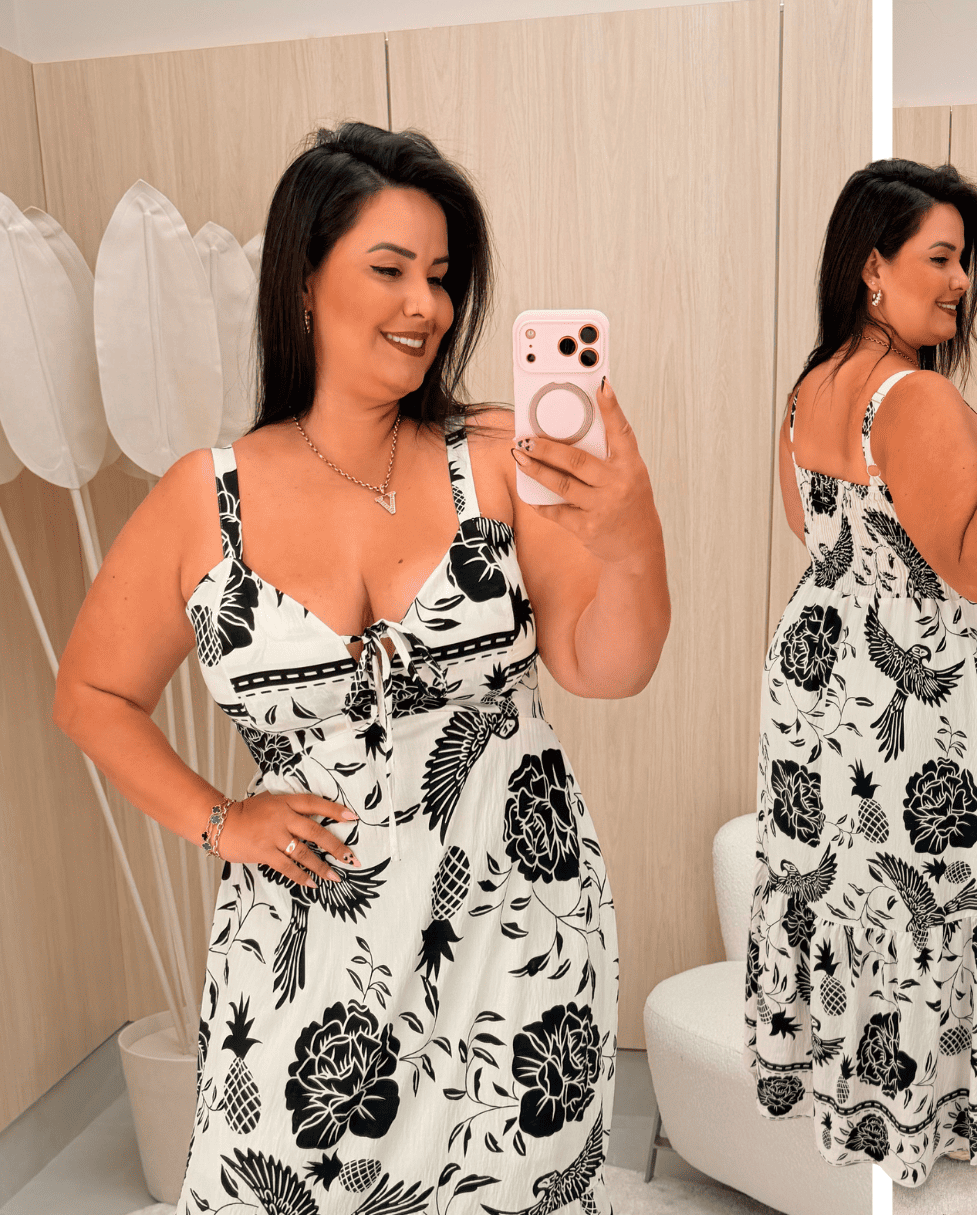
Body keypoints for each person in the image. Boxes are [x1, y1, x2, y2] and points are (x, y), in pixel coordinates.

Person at [52, 122, 669, 1214]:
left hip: (516, 928)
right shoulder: (205, 497)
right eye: (389, 269)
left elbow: (604, 666)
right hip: (305, 947)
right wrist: (219, 821)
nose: (425, 305)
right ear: (303, 281)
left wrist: (630, 533)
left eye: (441, 275)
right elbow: (91, 694)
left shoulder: (497, 457)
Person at [744, 158, 977, 1187]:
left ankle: (855, 1090)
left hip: (821, 683)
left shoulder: (810, 388)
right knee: (953, 888)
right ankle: (959, 1107)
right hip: (922, 701)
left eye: (965, 261)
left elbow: (808, 527)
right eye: (940, 258)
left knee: (851, 887)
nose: (960, 282)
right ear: (872, 267)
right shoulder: (917, 399)